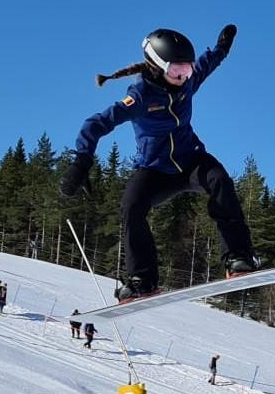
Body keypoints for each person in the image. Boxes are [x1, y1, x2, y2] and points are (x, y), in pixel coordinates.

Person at [58, 26, 262, 303]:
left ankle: (238, 257)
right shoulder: (140, 96)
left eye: (187, 70)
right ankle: (143, 280)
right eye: (177, 71)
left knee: (219, 180)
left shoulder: (186, 82)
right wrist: (81, 161)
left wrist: (222, 48)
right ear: (157, 66)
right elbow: (96, 124)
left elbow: (207, 64)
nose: (183, 77)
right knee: (131, 206)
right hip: (155, 170)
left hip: (191, 162)